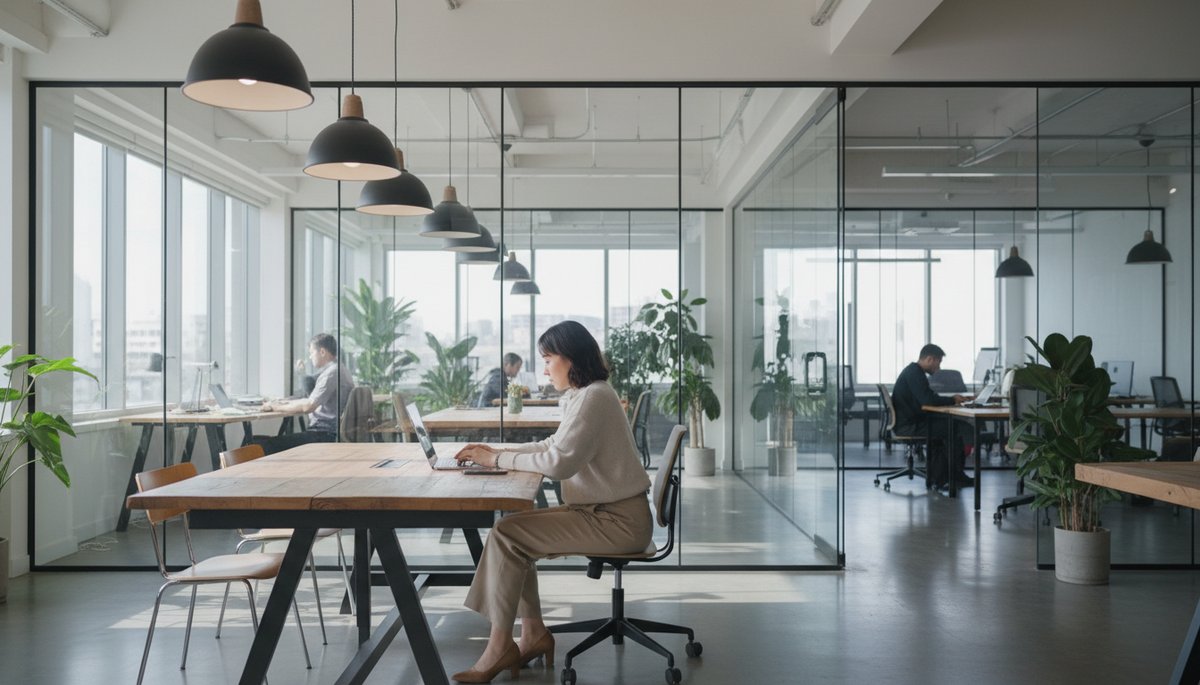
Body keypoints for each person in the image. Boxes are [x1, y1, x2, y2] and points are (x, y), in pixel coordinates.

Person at [450, 320, 652, 683]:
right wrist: (496, 451)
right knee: (513, 535)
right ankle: (532, 634)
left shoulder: (594, 397)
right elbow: (550, 447)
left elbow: (558, 464)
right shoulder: (584, 395)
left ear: (571, 358)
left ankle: (501, 646)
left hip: (617, 522)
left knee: (506, 534)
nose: (543, 368)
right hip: (604, 513)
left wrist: (495, 460)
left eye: (548, 359)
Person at [256, 333, 354, 454]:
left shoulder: (332, 373)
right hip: (327, 433)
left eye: (312, 352)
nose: (310, 356)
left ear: (322, 352)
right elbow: (310, 400)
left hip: (323, 435)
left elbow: (308, 406)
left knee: (261, 445)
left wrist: (274, 407)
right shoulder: (339, 370)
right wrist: (284, 402)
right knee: (261, 442)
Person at [891, 343, 972, 489]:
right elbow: (928, 400)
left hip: (910, 422)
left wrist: (950, 400)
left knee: (948, 425)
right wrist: (952, 400)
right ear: (930, 359)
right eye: (938, 362)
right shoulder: (915, 373)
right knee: (954, 427)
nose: (939, 367)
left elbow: (927, 396)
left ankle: (941, 477)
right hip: (909, 427)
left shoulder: (914, 371)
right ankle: (954, 476)